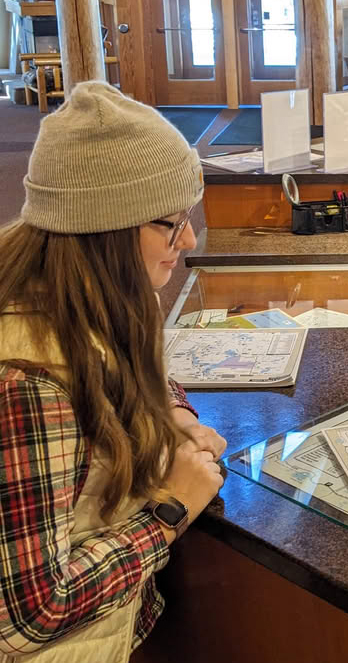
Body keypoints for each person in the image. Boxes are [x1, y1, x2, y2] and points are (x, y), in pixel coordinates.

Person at [0, 81, 226, 662]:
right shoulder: (30, 384)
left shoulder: (102, 292)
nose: (189, 238)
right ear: (106, 228)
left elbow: (134, 366)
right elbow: (31, 614)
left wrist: (171, 411)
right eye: (169, 223)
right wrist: (170, 511)